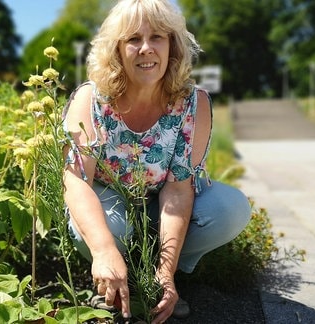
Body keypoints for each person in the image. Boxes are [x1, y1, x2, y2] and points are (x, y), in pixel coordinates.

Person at [61, 0, 252, 323]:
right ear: (117, 49)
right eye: (133, 39)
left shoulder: (194, 103)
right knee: (108, 231)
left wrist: (166, 270)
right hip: (112, 204)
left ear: (173, 45)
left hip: (162, 204)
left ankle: (159, 280)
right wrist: (105, 249)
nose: (146, 48)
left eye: (158, 37)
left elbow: (178, 190)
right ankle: (113, 269)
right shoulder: (91, 99)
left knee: (230, 209)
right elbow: (76, 179)